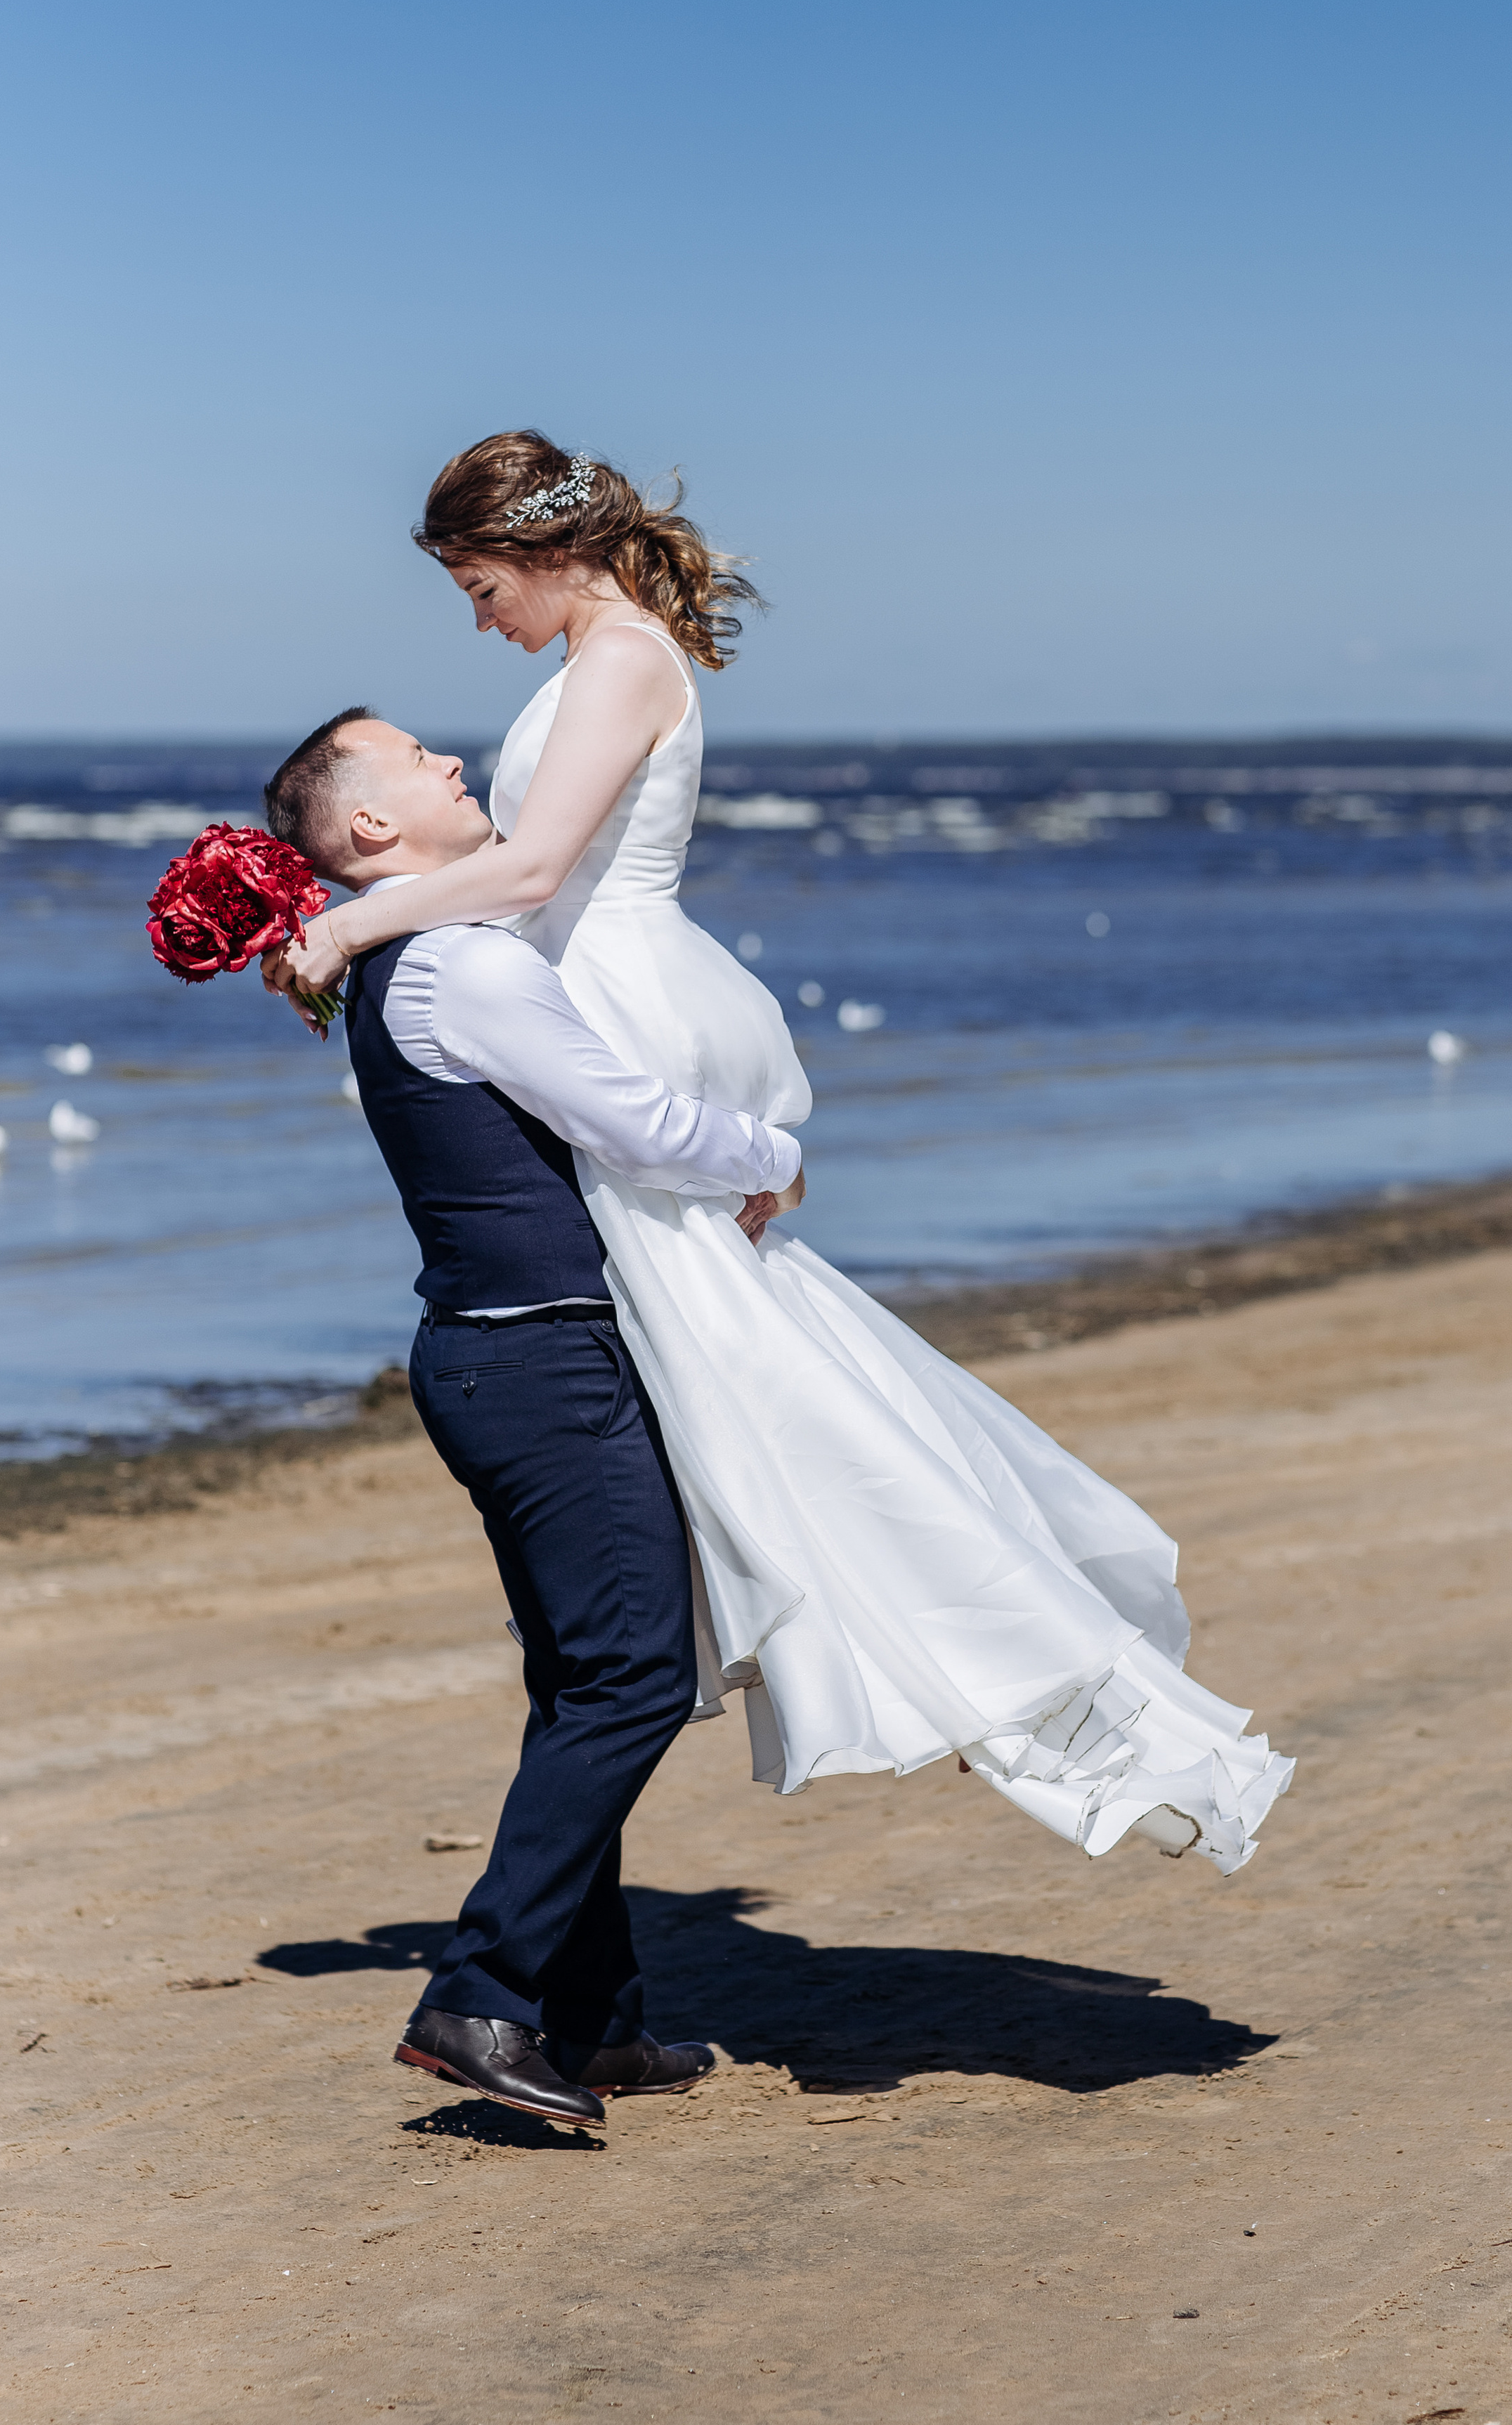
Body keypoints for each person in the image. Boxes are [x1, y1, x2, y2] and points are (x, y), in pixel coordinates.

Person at [264, 433, 1292, 1872]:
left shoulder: (616, 654)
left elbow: (540, 867)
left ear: (542, 550)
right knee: (725, 1364)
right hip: (589, 990)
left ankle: (838, 1620)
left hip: (616, 992)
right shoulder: (597, 655)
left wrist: (351, 921)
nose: (477, 619)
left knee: (745, 1372)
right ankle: (676, 1621)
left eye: (479, 584)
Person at [262, 708, 805, 2127]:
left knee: (580, 1685)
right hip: (540, 1371)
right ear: (372, 831)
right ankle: (478, 1998)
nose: (455, 763)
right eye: (419, 762)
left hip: (492, 1362)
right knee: (625, 1681)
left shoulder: (396, 964)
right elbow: (632, 1121)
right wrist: (771, 1153)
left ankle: (592, 2021)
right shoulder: (458, 968)